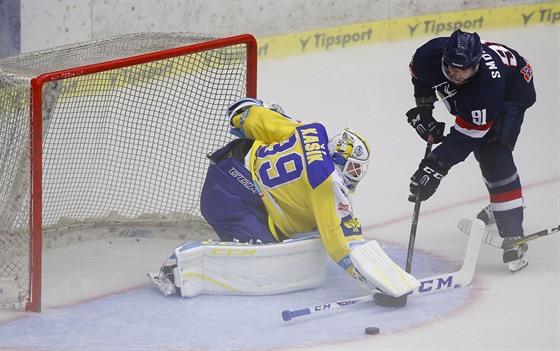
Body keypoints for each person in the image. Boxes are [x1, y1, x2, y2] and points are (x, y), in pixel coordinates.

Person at [149, 98, 420, 299]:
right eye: (353, 168)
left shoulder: (310, 130)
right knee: (266, 260)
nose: (355, 175)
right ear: (338, 159)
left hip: (229, 168)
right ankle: (182, 266)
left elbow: (256, 116)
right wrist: (372, 278)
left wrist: (241, 116)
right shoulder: (327, 185)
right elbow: (341, 242)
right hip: (231, 195)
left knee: (298, 230)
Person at [405, 29, 536, 272]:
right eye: (452, 67)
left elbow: (466, 139)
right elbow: (420, 77)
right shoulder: (428, 55)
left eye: (464, 69)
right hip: (479, 92)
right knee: (467, 110)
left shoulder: (487, 87)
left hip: (512, 90)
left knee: (492, 153)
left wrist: (435, 166)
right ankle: (503, 201)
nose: (456, 74)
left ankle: (514, 236)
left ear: (475, 64)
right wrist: (424, 110)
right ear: (443, 56)